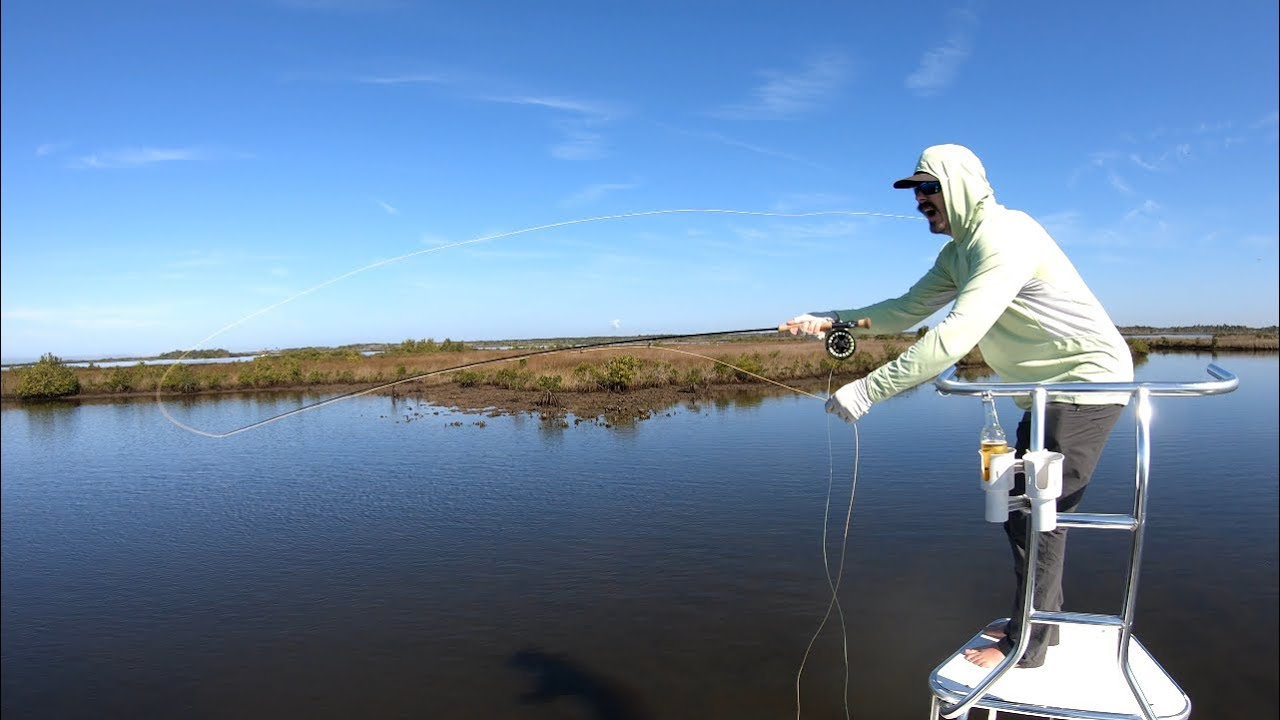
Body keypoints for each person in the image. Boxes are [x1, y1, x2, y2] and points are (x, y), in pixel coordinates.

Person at [782, 144, 1133, 670]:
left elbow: (953, 337)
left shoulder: (1005, 237)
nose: (920, 199)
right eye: (915, 191)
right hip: (1045, 394)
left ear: (962, 187)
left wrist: (867, 390)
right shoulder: (958, 254)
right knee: (1025, 510)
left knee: (1037, 515)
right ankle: (1038, 624)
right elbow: (903, 310)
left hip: (1085, 386)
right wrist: (832, 319)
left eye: (930, 187)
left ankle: (1029, 643)